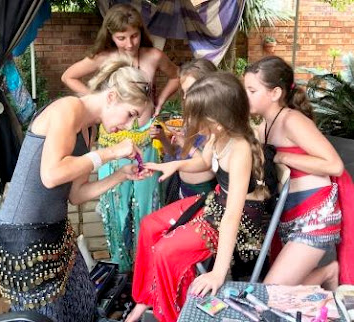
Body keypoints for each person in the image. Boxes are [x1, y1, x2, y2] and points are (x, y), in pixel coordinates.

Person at [0, 59, 153, 322]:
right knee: (50, 317)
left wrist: (122, 175)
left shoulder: (90, 128)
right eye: (131, 114)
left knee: (83, 305)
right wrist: (109, 153)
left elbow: (77, 194)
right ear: (111, 97)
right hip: (24, 240)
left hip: (56, 234)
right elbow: (52, 175)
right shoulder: (68, 108)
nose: (130, 126)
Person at [127, 72, 271, 322]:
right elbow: (205, 161)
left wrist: (218, 272)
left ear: (217, 119)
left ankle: (171, 316)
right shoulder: (218, 135)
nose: (190, 120)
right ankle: (145, 298)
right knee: (149, 225)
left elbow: (232, 216)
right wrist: (174, 166)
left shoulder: (240, 150)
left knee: (165, 251)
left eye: (195, 115)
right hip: (217, 202)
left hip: (239, 220)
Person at [61, 3, 179, 272]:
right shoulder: (104, 58)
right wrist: (93, 99)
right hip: (113, 141)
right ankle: (121, 265)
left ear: (141, 32)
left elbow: (177, 76)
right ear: (111, 35)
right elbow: (68, 76)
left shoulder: (153, 55)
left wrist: (159, 100)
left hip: (146, 137)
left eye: (134, 35)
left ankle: (147, 264)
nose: (129, 43)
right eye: (121, 37)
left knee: (147, 203)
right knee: (116, 204)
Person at [244, 55, 344, 290]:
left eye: (251, 90)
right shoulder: (266, 124)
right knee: (272, 291)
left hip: (314, 217)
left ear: (275, 93)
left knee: (271, 292)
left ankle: (329, 272)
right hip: (289, 216)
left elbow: (335, 165)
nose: (245, 96)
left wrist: (284, 157)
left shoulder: (292, 120)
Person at [150, 58, 218, 204]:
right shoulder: (190, 120)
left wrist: (185, 145)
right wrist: (162, 138)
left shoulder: (216, 126)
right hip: (183, 191)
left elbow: (207, 164)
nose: (186, 97)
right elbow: (175, 153)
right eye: (184, 92)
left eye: (191, 91)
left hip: (203, 196)